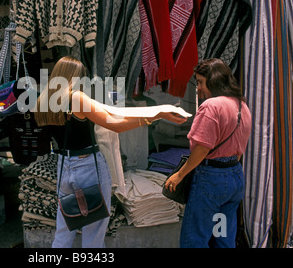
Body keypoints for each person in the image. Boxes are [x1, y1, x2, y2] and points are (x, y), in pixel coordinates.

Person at [33, 56, 187, 248]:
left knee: (64, 230)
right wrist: (153, 116)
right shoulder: (77, 98)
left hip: (64, 168)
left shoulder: (44, 101)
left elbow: (109, 113)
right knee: (94, 235)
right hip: (88, 167)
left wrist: (155, 112)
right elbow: (114, 123)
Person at [164, 58, 252, 248]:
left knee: (194, 239)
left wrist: (179, 175)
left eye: (201, 82)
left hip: (211, 180)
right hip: (235, 177)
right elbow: (240, 149)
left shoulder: (211, 106)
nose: (198, 88)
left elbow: (202, 149)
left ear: (215, 81)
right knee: (222, 237)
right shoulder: (241, 106)